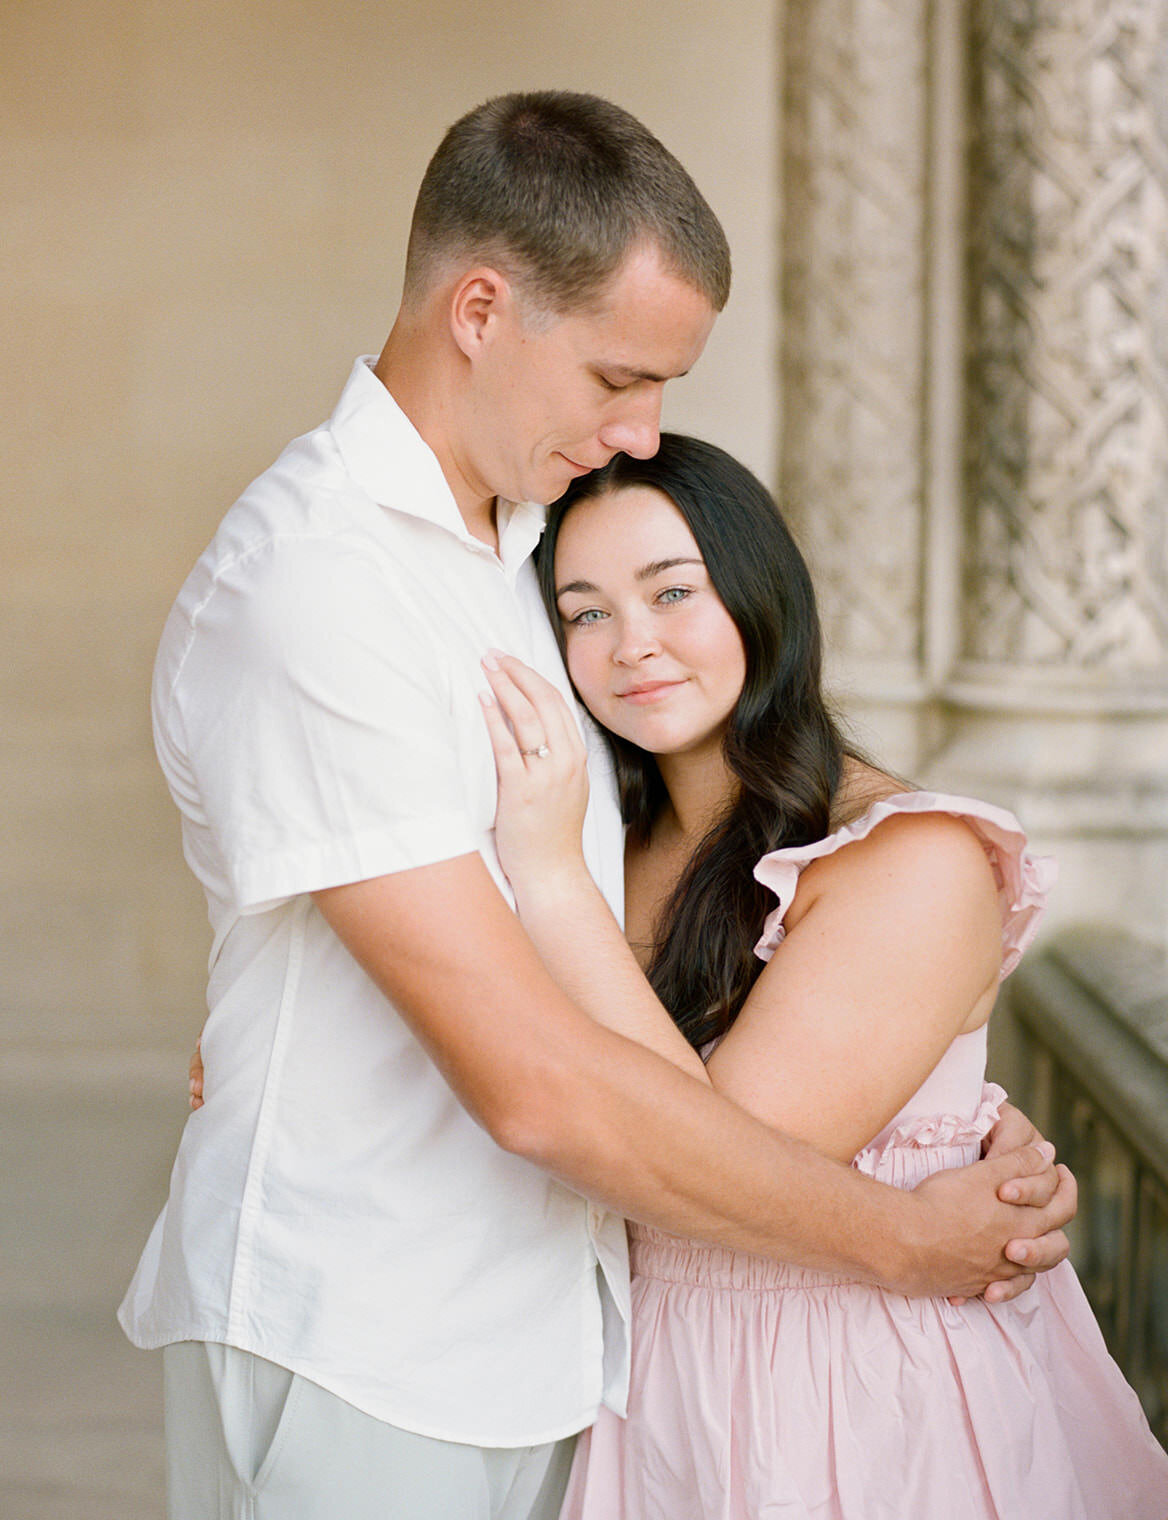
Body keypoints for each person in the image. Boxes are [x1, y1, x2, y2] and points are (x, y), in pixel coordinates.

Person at [122, 91, 1076, 1520]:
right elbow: (534, 1085)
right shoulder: (321, 584)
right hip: (371, 1340)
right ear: (485, 309)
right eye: (622, 378)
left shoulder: (515, 548)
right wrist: (901, 1236)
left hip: (560, 1351)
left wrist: (944, 1118)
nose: (641, 434)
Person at [477, 433, 1168, 1520]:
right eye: (586, 611)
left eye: (672, 592)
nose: (632, 646)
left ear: (761, 596)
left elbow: (723, 1164)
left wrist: (552, 881)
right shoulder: (603, 837)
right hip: (647, 1392)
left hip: (861, 1397)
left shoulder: (910, 855)